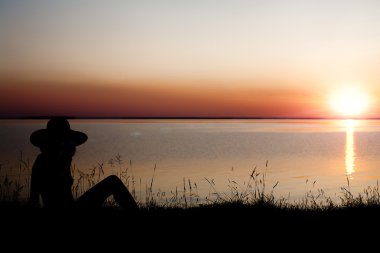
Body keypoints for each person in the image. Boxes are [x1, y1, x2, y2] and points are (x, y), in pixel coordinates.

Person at [27, 117, 139, 211]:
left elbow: (34, 199)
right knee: (113, 181)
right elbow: (34, 199)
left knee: (113, 182)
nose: (70, 144)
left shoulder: (52, 159)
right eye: (64, 140)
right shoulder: (48, 161)